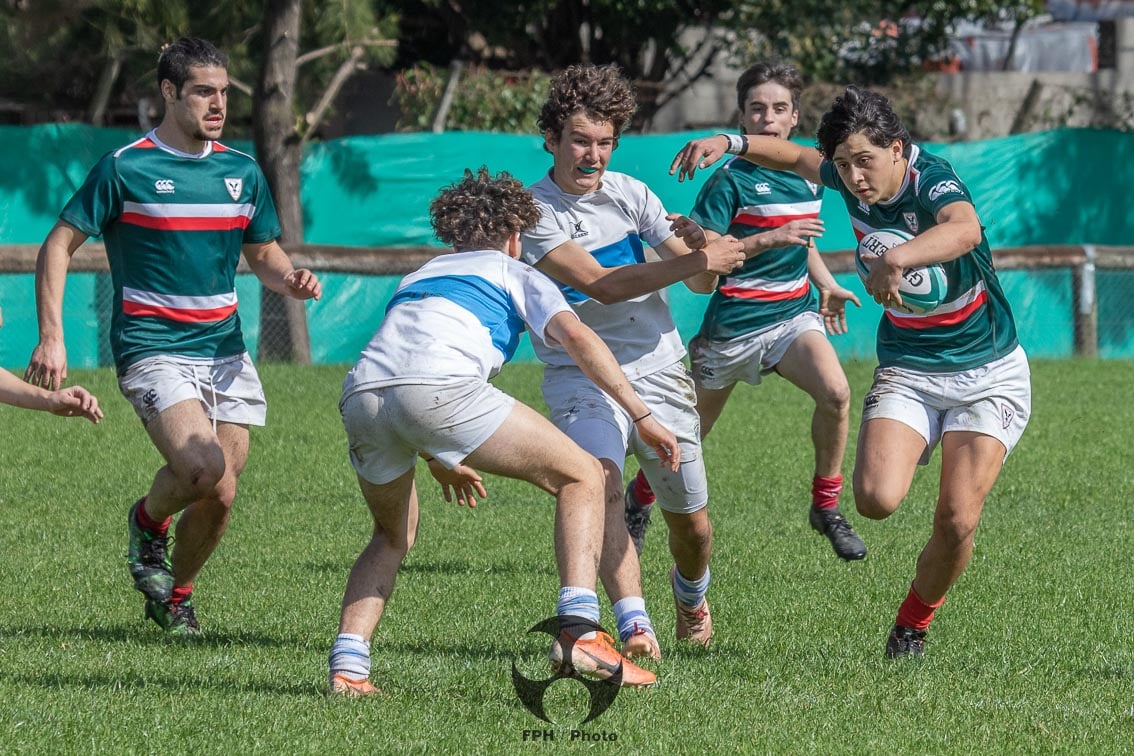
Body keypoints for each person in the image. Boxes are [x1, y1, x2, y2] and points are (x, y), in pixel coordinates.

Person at [671, 85, 1030, 658]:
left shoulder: (930, 179)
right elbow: (789, 156)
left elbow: (964, 229)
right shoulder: (844, 174)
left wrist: (896, 258)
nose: (855, 177)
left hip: (988, 371)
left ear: (897, 148)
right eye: (843, 165)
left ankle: (911, 625)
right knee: (875, 499)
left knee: (958, 518)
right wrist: (729, 140)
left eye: (866, 160)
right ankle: (903, 453)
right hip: (911, 367)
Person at [329, 166, 675, 696]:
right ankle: (580, 633)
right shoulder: (520, 273)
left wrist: (436, 452)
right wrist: (643, 415)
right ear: (516, 234)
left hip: (361, 397)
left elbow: (400, 369)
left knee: (391, 534)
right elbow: (578, 339)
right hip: (438, 391)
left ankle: (349, 668)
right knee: (583, 476)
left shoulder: (419, 275)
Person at [24, 37, 322, 636]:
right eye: (203, 92)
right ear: (169, 92)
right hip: (152, 348)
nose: (218, 104)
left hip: (225, 352)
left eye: (223, 92)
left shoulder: (241, 171)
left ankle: (175, 595)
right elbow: (58, 243)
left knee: (222, 493)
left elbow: (260, 250)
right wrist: (51, 335)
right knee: (202, 467)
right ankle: (146, 523)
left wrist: (289, 277)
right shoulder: (124, 167)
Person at [521, 64, 747, 659]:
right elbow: (600, 285)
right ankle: (619, 624)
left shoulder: (631, 193)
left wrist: (700, 248)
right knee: (595, 482)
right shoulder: (534, 211)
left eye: (603, 143)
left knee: (692, 527)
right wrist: (695, 263)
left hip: (660, 369)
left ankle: (691, 594)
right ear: (552, 139)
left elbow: (699, 285)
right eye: (579, 140)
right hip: (582, 375)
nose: (592, 155)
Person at [627, 60, 867, 562]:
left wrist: (826, 284)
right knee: (687, 436)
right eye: (757, 108)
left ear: (794, 117)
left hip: (792, 318)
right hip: (733, 329)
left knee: (838, 394)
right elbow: (710, 253)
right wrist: (767, 238)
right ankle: (639, 498)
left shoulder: (811, 174)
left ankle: (825, 507)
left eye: (779, 108)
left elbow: (802, 239)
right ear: (741, 118)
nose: (768, 117)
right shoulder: (728, 182)